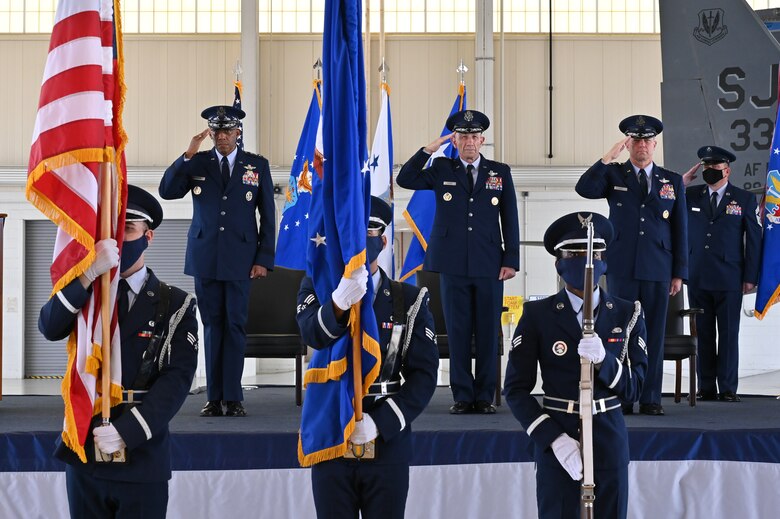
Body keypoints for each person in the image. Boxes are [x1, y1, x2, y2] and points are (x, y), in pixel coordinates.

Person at [39, 185, 199, 519]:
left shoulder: (176, 303)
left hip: (142, 453)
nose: (118, 238)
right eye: (112, 229)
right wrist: (86, 276)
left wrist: (127, 432)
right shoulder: (85, 291)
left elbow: (177, 380)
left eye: (128, 228)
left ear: (148, 237)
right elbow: (49, 327)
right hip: (85, 449)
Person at [296, 197, 439, 519]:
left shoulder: (409, 298)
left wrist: (381, 422)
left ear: (383, 240)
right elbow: (312, 335)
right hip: (331, 425)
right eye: (350, 236)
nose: (358, 244)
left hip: (387, 435)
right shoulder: (318, 287)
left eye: (368, 235)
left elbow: (424, 374)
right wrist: (337, 303)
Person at [504, 211, 648, 519]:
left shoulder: (627, 313)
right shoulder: (538, 315)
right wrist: (552, 438)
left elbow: (635, 389)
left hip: (608, 435)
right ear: (559, 262)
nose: (586, 263)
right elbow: (515, 390)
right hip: (559, 434)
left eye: (593, 254)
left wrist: (605, 362)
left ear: (604, 259)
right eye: (575, 254)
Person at [396, 109, 520, 415]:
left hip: (490, 264)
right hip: (452, 263)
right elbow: (405, 178)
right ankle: (463, 395)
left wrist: (511, 260)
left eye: (474, 137)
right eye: (463, 137)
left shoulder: (499, 172)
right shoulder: (441, 168)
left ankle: (486, 395)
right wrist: (430, 148)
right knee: (459, 330)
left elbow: (511, 219)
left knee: (489, 331)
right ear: (456, 139)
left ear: (482, 140)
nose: (469, 142)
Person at [159, 105, 276, 417]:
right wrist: (187, 154)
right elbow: (167, 191)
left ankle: (234, 397)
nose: (222, 136)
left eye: (228, 131)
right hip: (206, 257)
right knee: (211, 326)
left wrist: (264, 258)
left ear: (238, 132)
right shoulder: (197, 162)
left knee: (235, 325)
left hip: (241, 258)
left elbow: (268, 216)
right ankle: (214, 397)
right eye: (216, 131)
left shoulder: (257, 165)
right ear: (209, 133)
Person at [575, 114, 687, 416]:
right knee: (617, 333)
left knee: (653, 334)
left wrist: (679, 272)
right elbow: (584, 188)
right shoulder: (614, 175)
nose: (642, 146)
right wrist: (607, 157)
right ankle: (622, 395)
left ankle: (650, 398)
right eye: (636, 141)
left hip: (658, 268)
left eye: (647, 141)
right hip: (622, 266)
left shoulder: (671, 181)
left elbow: (680, 229)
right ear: (629, 144)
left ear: (654, 144)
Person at [684, 145, 762, 402]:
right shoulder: (691, 195)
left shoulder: (743, 199)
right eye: (706, 168)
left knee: (728, 334)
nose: (709, 172)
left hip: (730, 276)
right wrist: (682, 182)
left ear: (726, 170)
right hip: (697, 275)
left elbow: (753, 239)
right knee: (703, 334)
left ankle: (727, 387)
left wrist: (751, 276)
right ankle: (706, 387)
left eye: (714, 168)